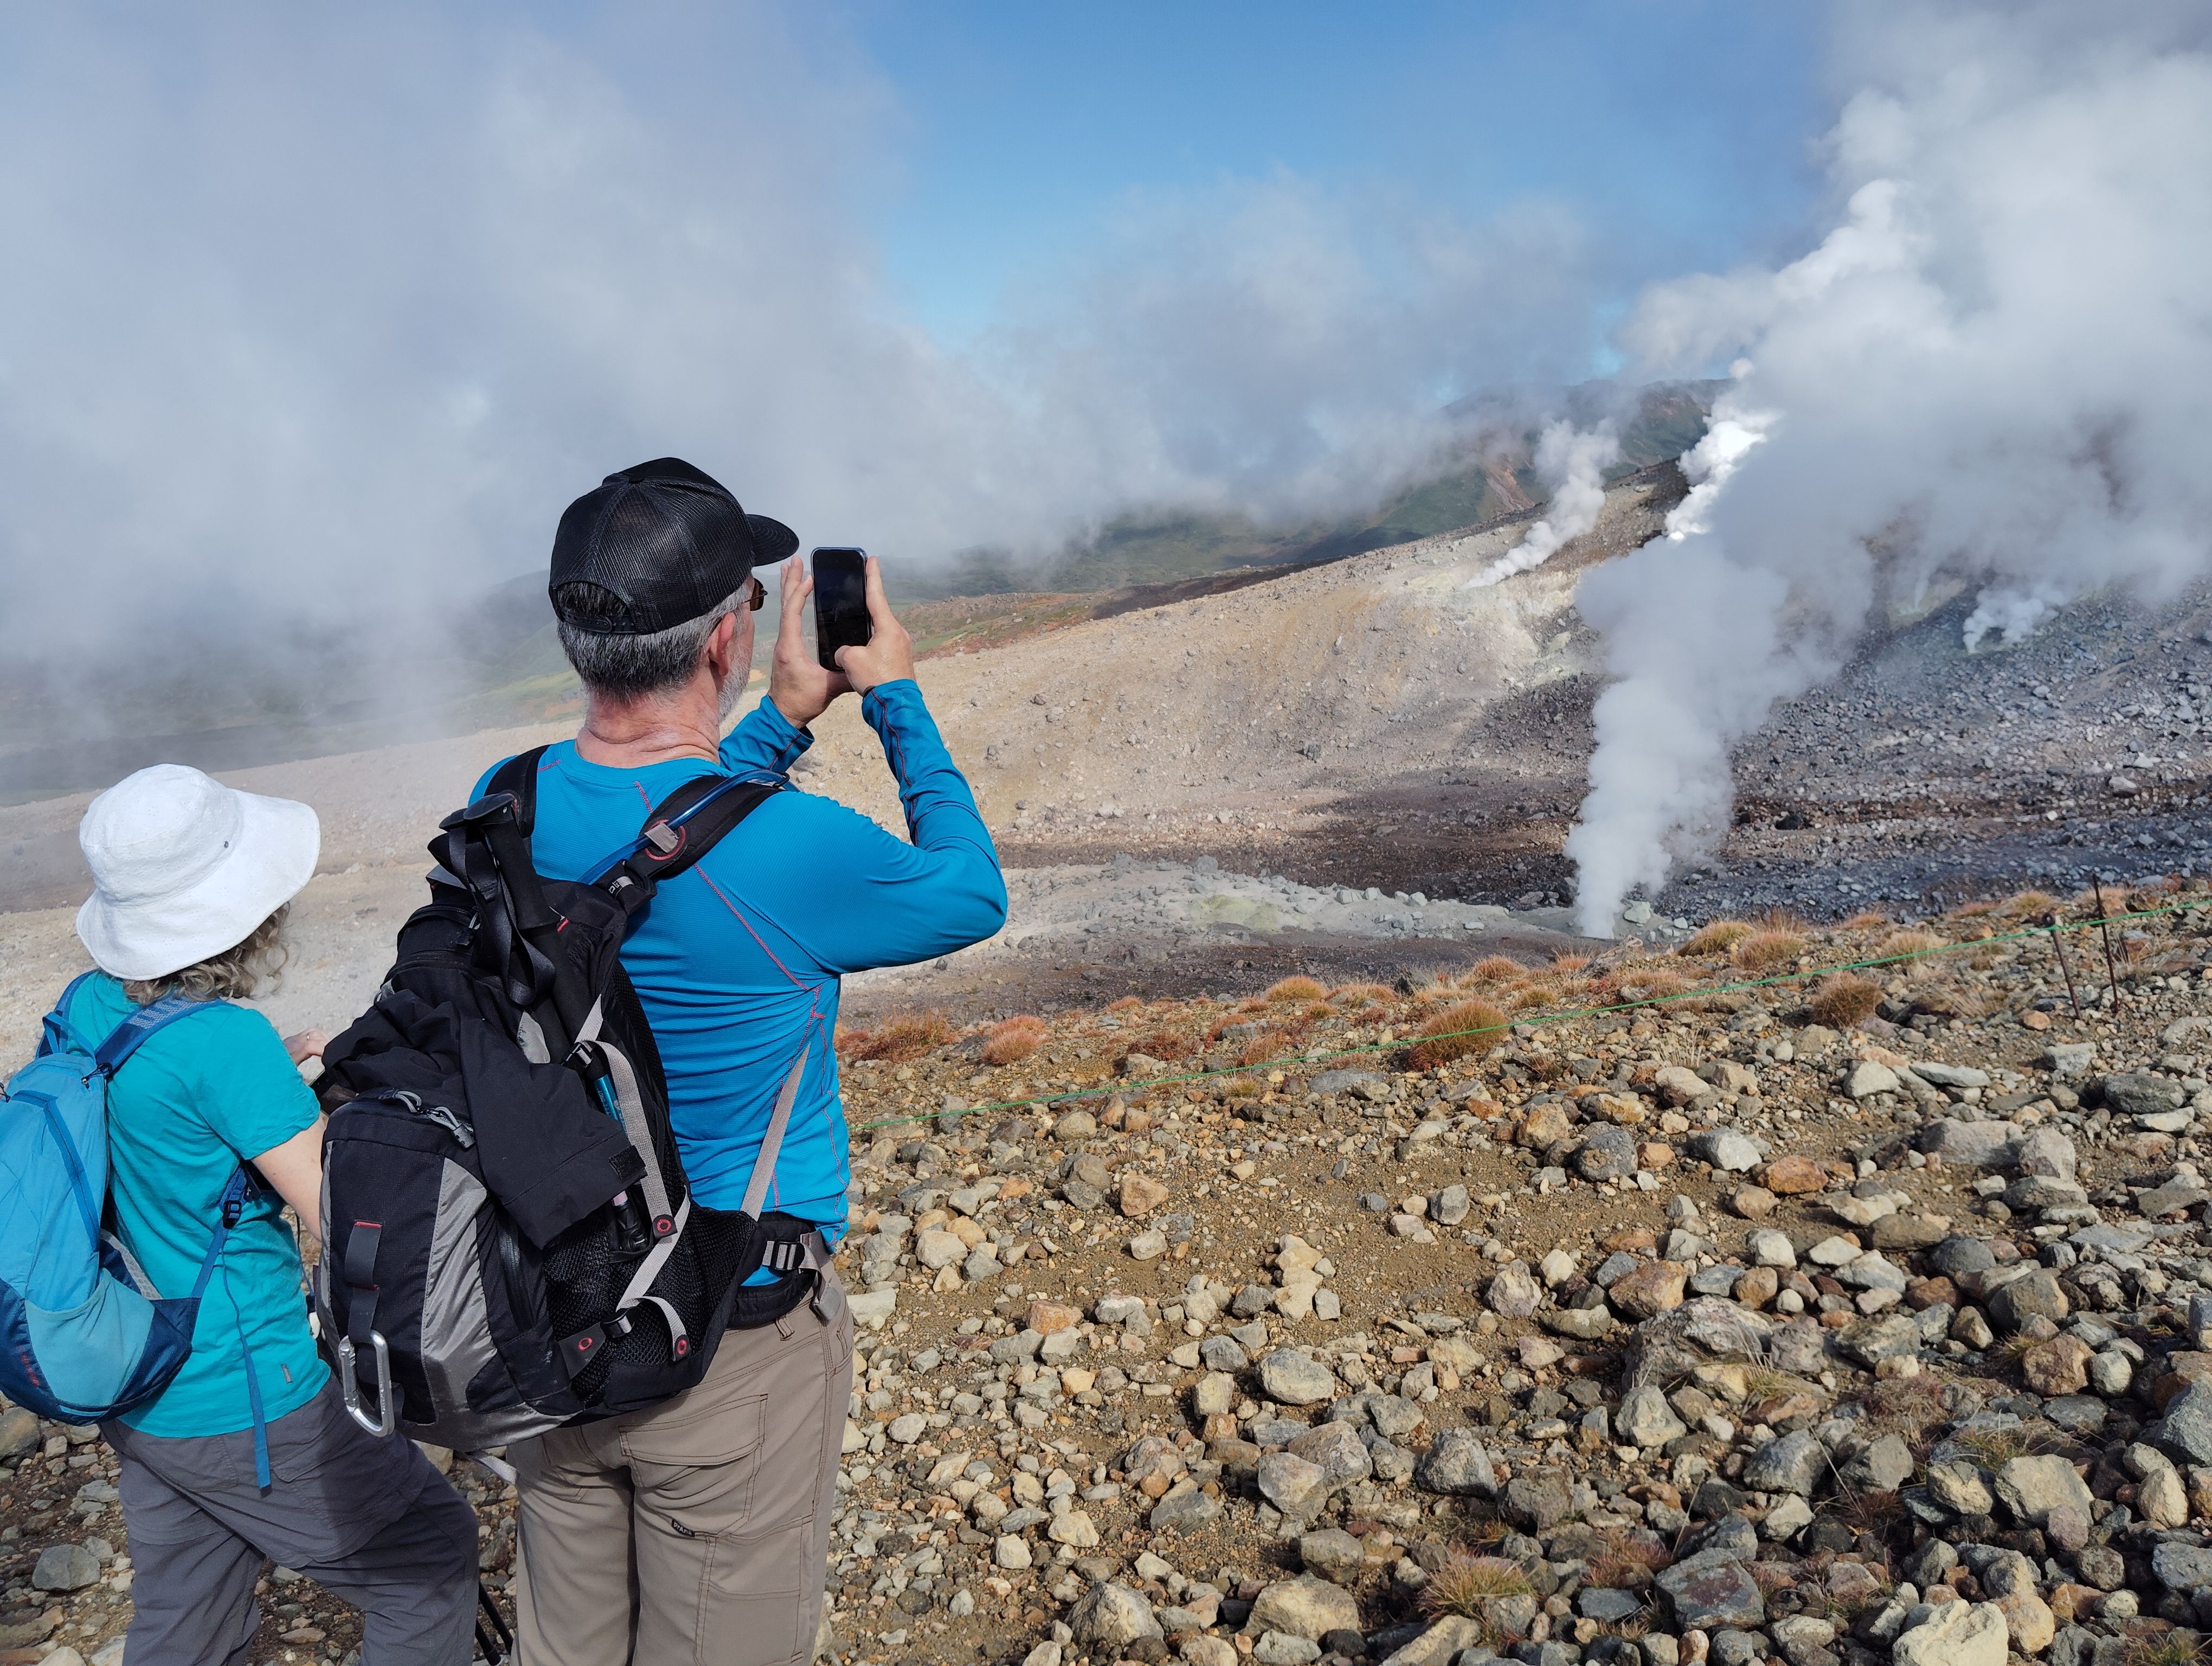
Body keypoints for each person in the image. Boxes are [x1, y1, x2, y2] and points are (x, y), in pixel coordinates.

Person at [490, 458, 1006, 1666]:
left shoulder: (504, 802)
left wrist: (773, 725)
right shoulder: (796, 850)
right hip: (732, 1327)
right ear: (730, 636)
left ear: (577, 638)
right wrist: (894, 697)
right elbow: (970, 891)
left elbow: (661, 845)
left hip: (552, 1305)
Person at [67, 763, 480, 1665]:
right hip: (243, 1389)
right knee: (428, 1560)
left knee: (190, 1619)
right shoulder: (225, 1043)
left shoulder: (90, 1006)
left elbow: (160, 1128)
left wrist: (263, 1099)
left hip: (137, 1378)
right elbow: (343, 1217)